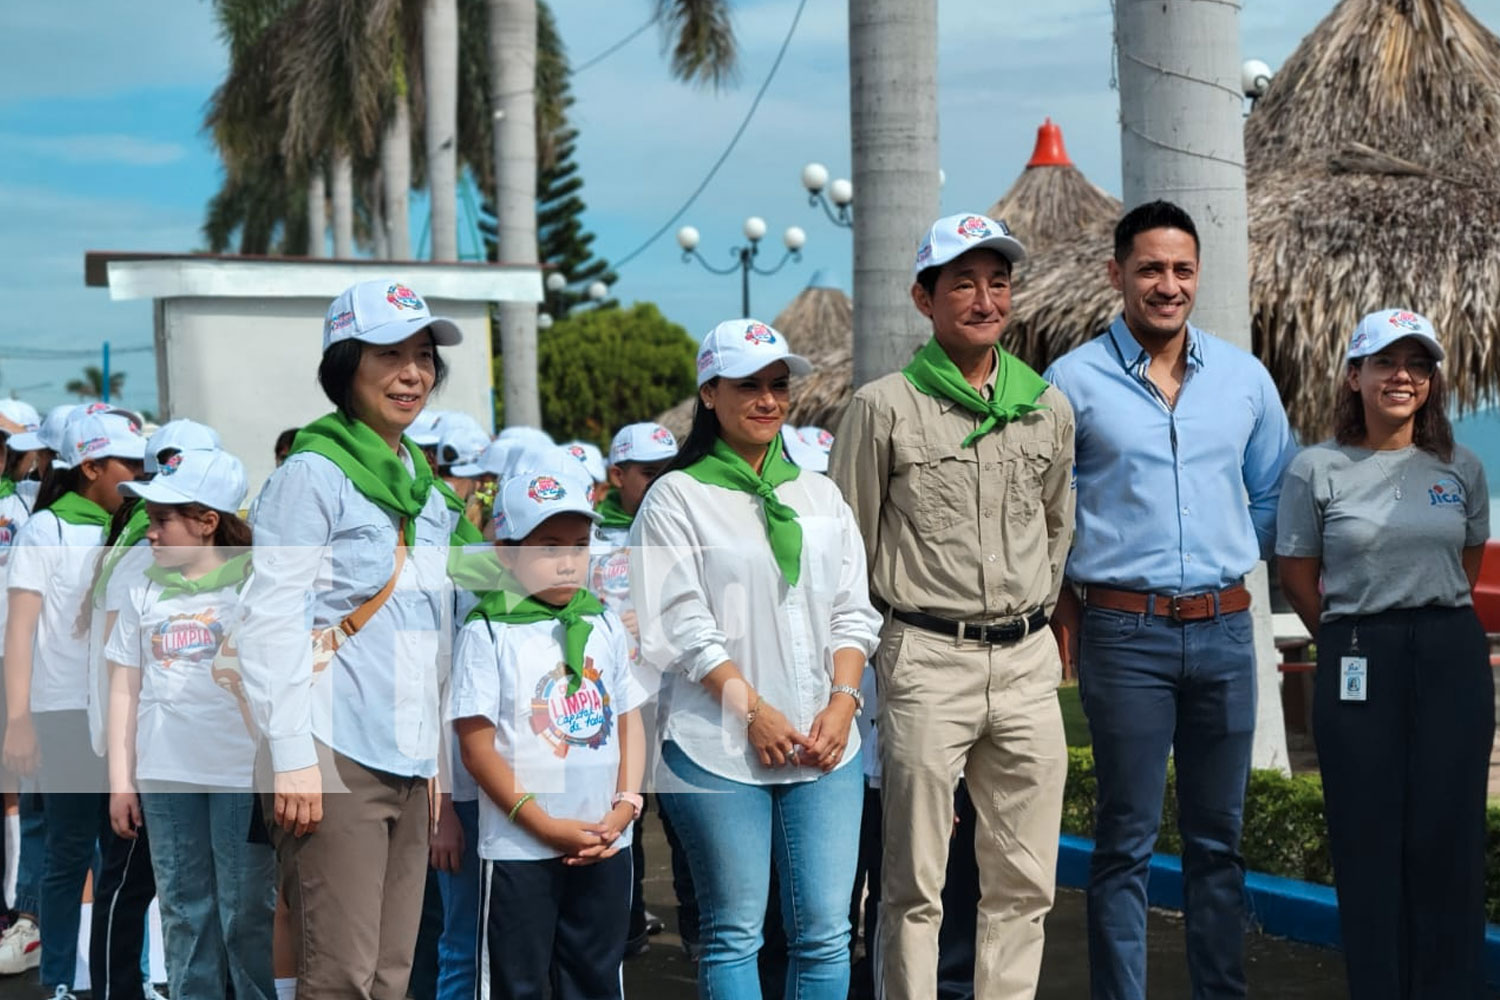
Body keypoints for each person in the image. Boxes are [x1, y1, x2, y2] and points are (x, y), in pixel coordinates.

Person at [1043, 200, 1295, 1000]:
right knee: (1125, 842)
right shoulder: (1071, 381)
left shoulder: (1245, 379)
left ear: (1198, 277)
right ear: (1118, 274)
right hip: (1125, 632)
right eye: (1150, 268)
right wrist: (1068, 600)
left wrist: (1226, 558)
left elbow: (1269, 494)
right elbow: (1046, 506)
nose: (1167, 284)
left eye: (1182, 270)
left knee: (1219, 842)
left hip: (1225, 633)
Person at [829, 212, 1076, 1000]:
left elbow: (1056, 529)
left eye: (997, 282)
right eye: (962, 282)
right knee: (913, 886)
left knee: (1026, 882)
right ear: (923, 298)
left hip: (1028, 662)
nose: (983, 298)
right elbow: (848, 552)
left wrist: (1029, 624)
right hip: (926, 658)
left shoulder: (1047, 407)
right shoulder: (882, 407)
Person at [633, 319, 881, 1000]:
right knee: (735, 930)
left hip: (825, 746)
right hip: (717, 744)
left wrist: (843, 702)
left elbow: (853, 612)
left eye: (779, 385)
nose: (769, 400)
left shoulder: (819, 495)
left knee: (828, 934)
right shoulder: (674, 498)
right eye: (750, 386)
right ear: (709, 393)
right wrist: (755, 712)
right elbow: (679, 624)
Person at [236, 278, 468, 996]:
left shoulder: (424, 488)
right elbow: (271, 619)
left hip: (404, 752)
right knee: (336, 972)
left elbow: (427, 629)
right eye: (390, 354)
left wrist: (433, 759)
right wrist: (293, 756)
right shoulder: (312, 475)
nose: (413, 373)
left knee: (391, 972)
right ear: (345, 366)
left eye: (424, 355)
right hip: (331, 750)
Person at [1276, 309, 1491, 999]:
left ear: (1429, 382)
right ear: (1354, 376)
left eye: (1417, 365)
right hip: (1358, 653)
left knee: (1448, 833)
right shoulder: (1317, 468)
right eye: (1386, 363)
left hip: (1450, 653)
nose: (1403, 376)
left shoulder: (1460, 466)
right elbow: (1298, 573)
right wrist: (1350, 631)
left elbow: (1461, 561)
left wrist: (1417, 618)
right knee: (1366, 835)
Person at [450, 469, 647, 1000]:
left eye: (580, 545)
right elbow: (476, 747)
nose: (567, 560)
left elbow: (628, 717)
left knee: (597, 977)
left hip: (607, 839)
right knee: (519, 985)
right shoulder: (486, 631)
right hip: (520, 846)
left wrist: (626, 806)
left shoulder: (601, 621)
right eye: (548, 545)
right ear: (507, 552)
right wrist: (542, 824)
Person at [104, 448, 276, 1000]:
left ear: (207, 524)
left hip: (240, 780)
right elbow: (123, 689)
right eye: (148, 520)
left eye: (161, 521)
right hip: (165, 779)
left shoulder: (256, 587)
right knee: (184, 912)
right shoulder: (141, 589)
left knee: (244, 912)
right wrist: (120, 782)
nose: (148, 533)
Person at [2, 411, 146, 998]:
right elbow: (19, 632)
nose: (139, 474)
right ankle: (59, 979)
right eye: (128, 464)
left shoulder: (140, 525)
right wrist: (17, 721)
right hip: (61, 713)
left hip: (120, 711)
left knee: (126, 858)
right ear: (89, 468)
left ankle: (121, 977)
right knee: (66, 854)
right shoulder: (48, 530)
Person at [592, 421, 679, 955]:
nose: (661, 482)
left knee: (685, 822)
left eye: (669, 470)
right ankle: (625, 927)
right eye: (650, 473)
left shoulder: (684, 525)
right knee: (626, 807)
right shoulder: (588, 535)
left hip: (679, 697)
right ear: (617, 474)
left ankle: (696, 932)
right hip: (616, 702)